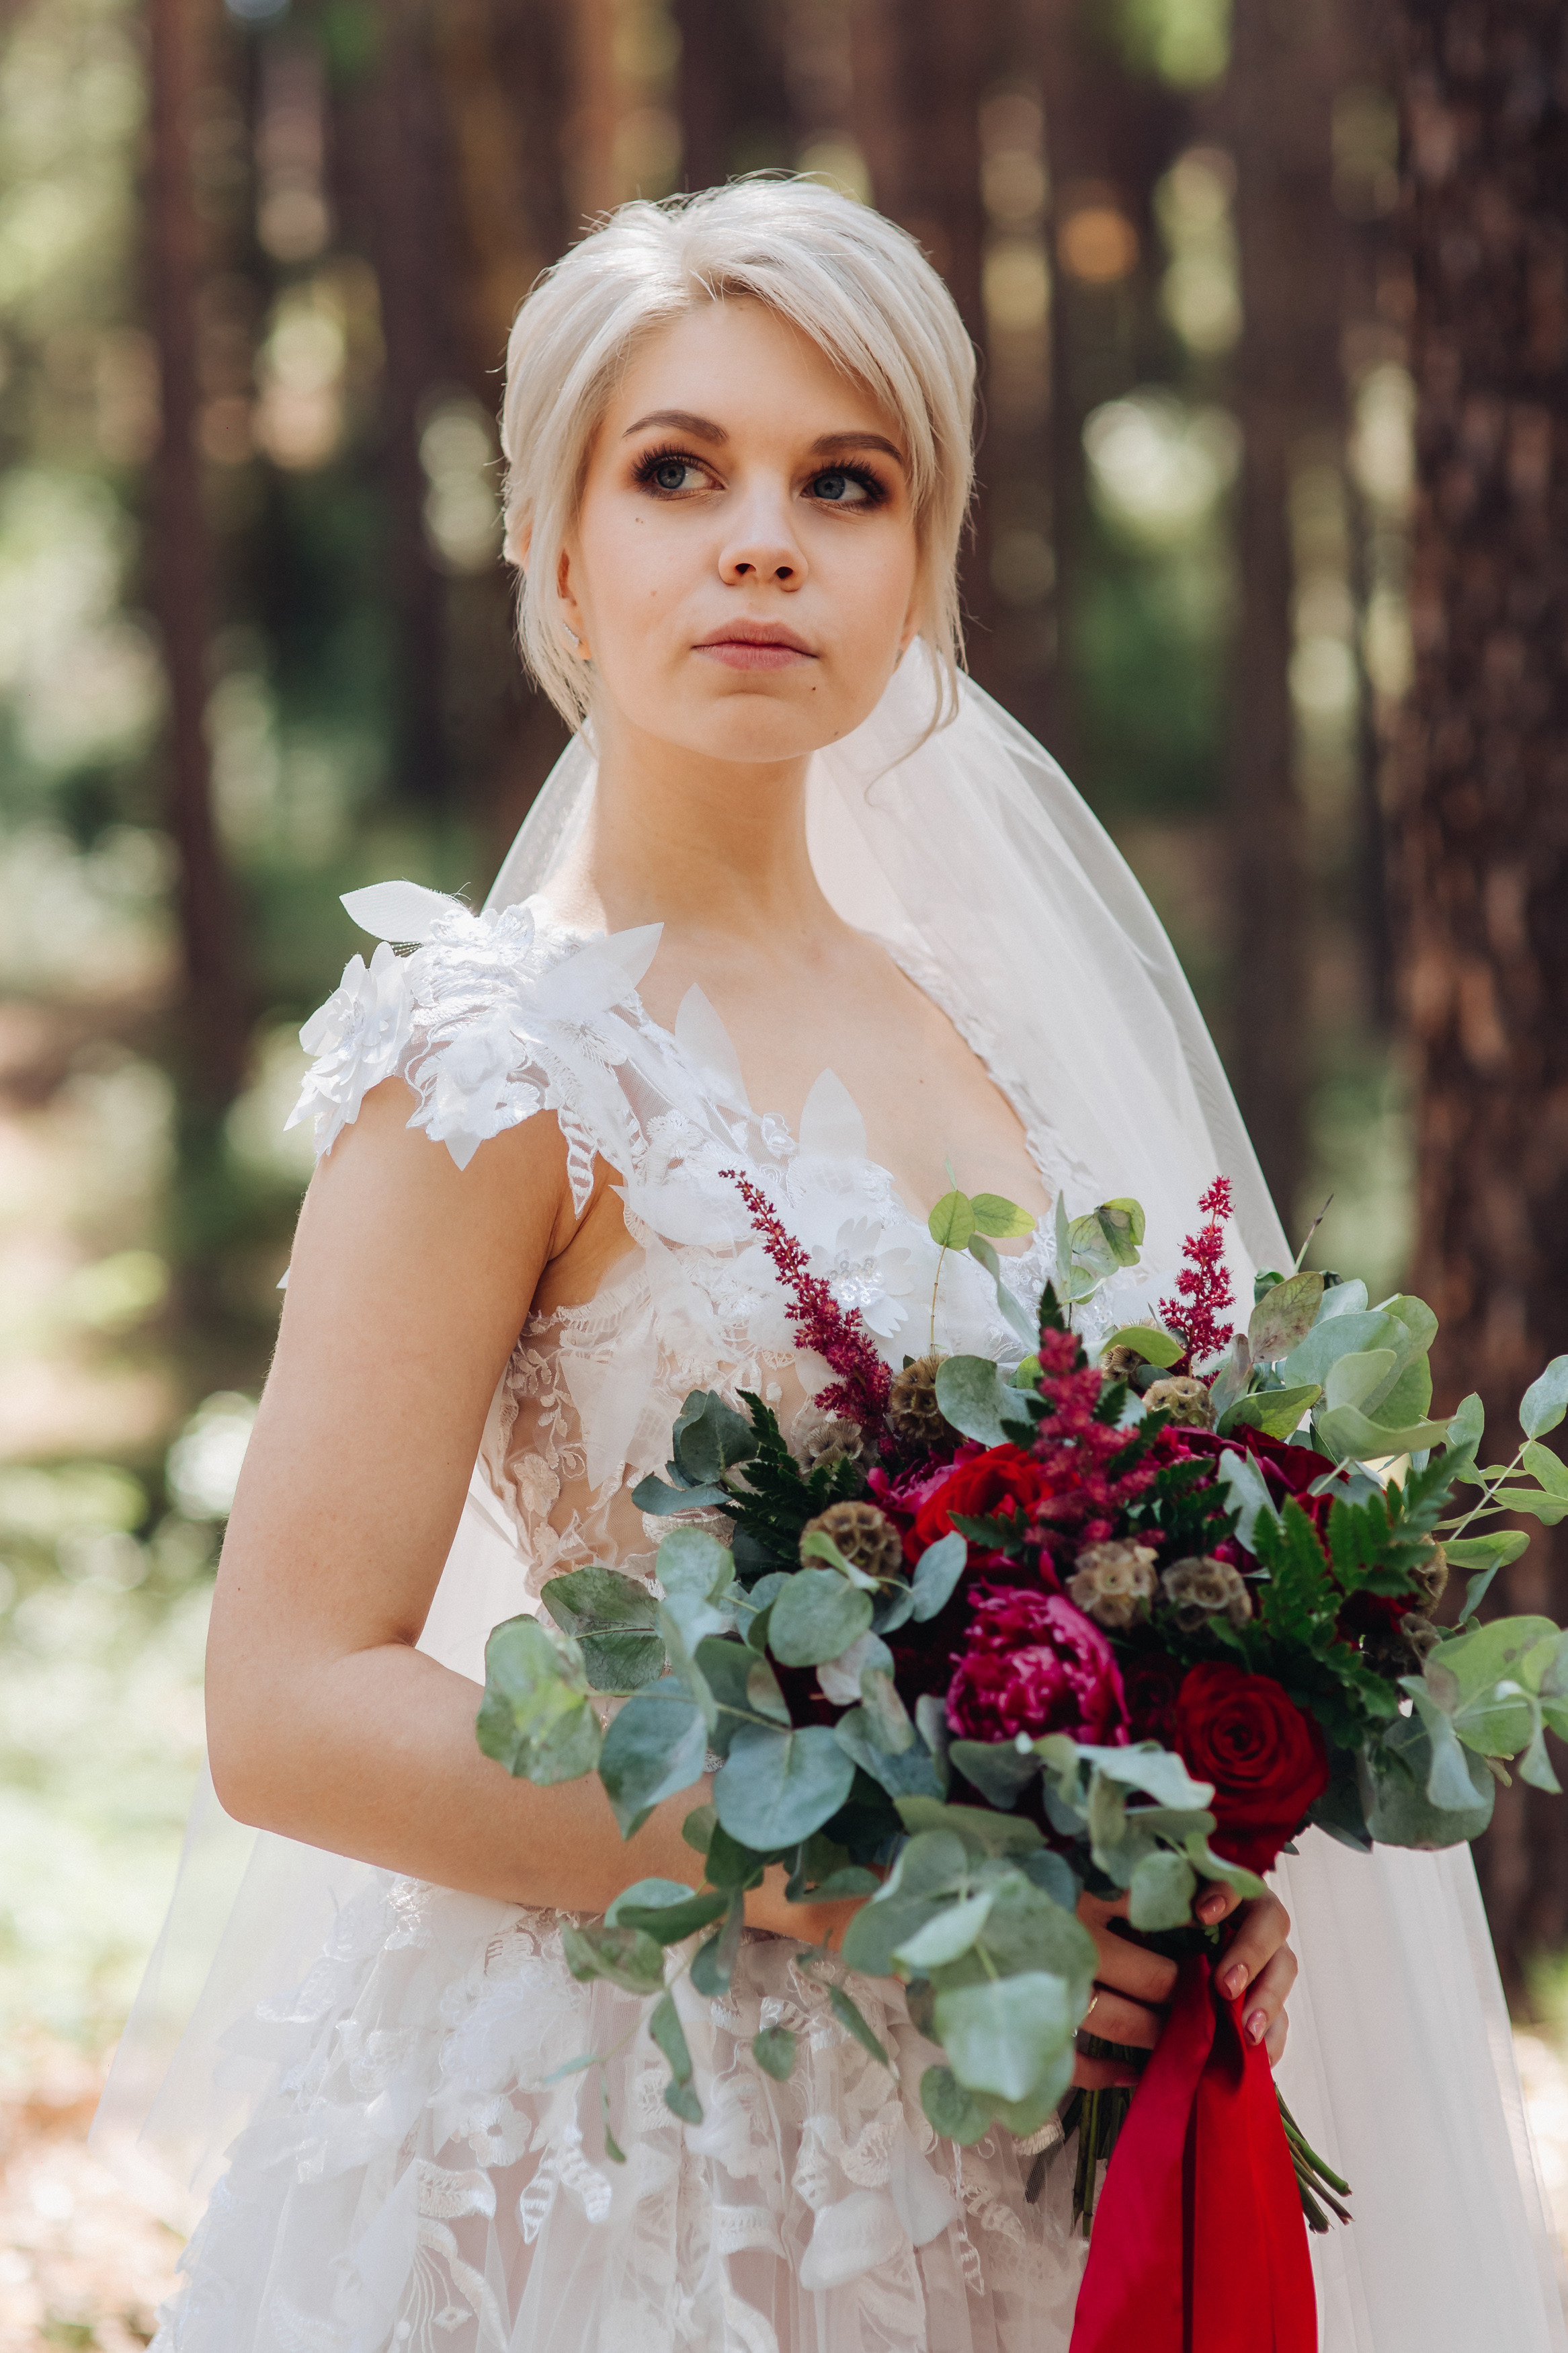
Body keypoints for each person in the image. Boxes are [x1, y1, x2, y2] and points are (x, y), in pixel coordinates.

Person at [102, 180, 1563, 2353]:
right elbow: (290, 1702)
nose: (763, 538)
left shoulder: (1001, 1027)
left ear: (922, 561)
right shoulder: (495, 1067)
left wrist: (1193, 1865)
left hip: (1037, 2142)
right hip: (653, 2160)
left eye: (846, 483)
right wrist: (854, 1878)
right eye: (677, 469)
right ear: (553, 546)